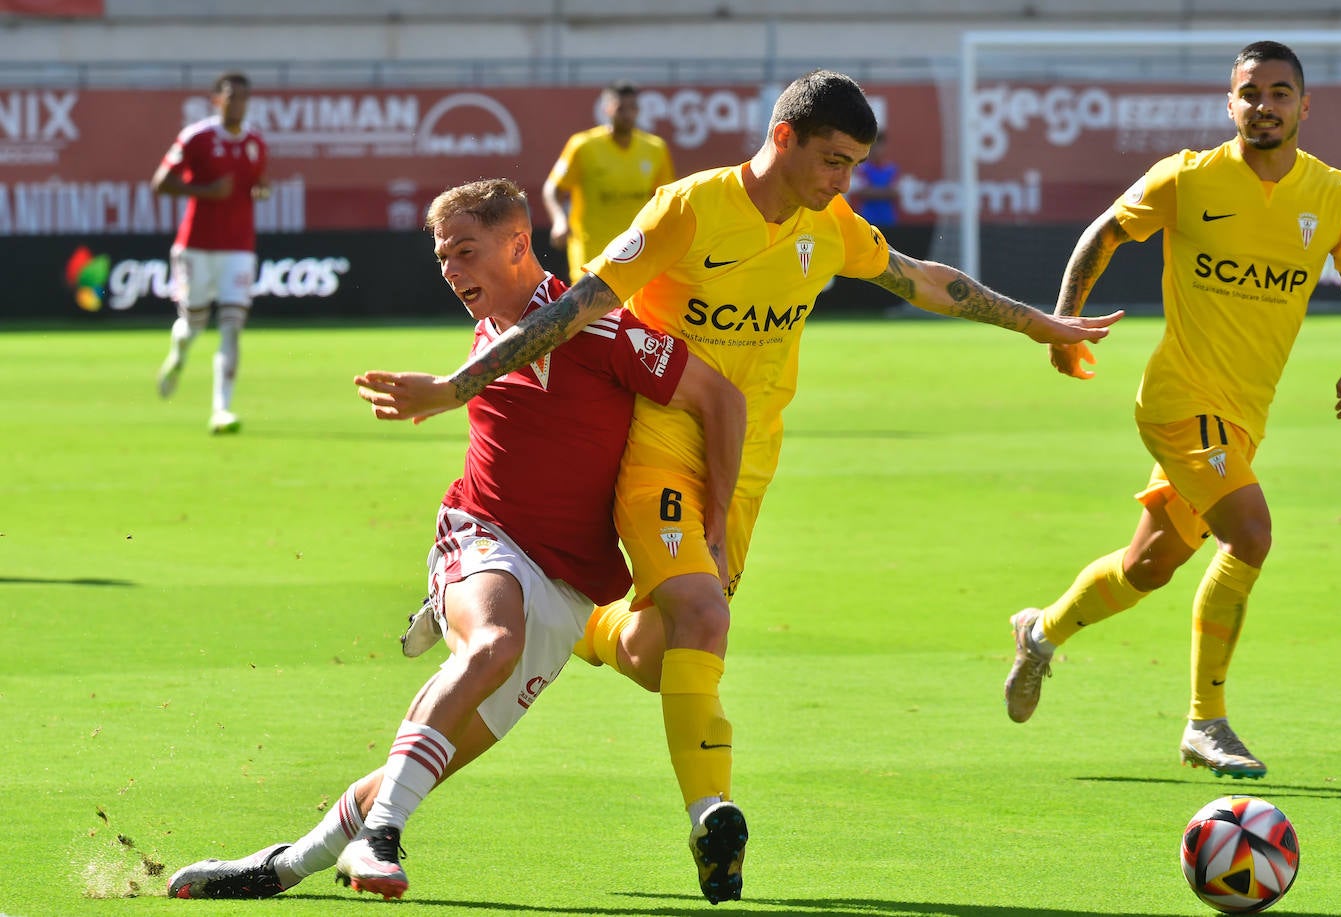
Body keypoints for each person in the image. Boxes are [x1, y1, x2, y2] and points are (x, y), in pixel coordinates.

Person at [374, 69, 1122, 904]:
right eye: (833, 160)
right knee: (703, 609)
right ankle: (711, 818)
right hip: (658, 443)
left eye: (854, 166)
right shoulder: (688, 209)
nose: (843, 181)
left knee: (660, 653)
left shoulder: (829, 226)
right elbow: (581, 302)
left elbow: (921, 278)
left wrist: (1036, 321)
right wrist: (457, 384)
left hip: (749, 457)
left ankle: (586, 624)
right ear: (783, 139)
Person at [163, 179, 745, 901]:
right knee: (492, 644)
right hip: (481, 534)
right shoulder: (502, 328)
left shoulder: (598, 328)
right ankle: (381, 839)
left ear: (517, 243)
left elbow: (721, 396)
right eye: (442, 257)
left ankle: (283, 864)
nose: (451, 271)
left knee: (426, 760)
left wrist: (716, 518)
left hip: (565, 590)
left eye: (464, 252)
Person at [1002, 41, 1341, 779]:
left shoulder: (1333, 196)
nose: (1262, 104)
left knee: (1151, 564)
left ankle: (1038, 632)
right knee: (1252, 533)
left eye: (1278, 92)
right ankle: (1207, 722)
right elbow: (1102, 233)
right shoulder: (1187, 177)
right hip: (1178, 400)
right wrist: (1062, 321)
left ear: (1304, 105)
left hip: (1242, 417)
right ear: (1227, 103)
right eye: (1249, 92)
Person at [151, 70, 270, 434]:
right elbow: (160, 184)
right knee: (194, 324)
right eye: (231, 96)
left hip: (238, 246)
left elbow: (257, 184)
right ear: (217, 100)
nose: (237, 104)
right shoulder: (196, 138)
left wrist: (262, 190)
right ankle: (178, 354)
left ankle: (222, 409)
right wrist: (206, 190)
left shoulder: (255, 144)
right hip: (196, 247)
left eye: (243, 97)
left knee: (232, 326)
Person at [542, 80, 675, 278]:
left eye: (633, 108)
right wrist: (559, 220)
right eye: (622, 108)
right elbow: (552, 188)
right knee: (592, 308)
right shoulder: (583, 145)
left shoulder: (655, 148)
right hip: (591, 254)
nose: (628, 114)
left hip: (636, 252)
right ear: (607, 109)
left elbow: (665, 198)